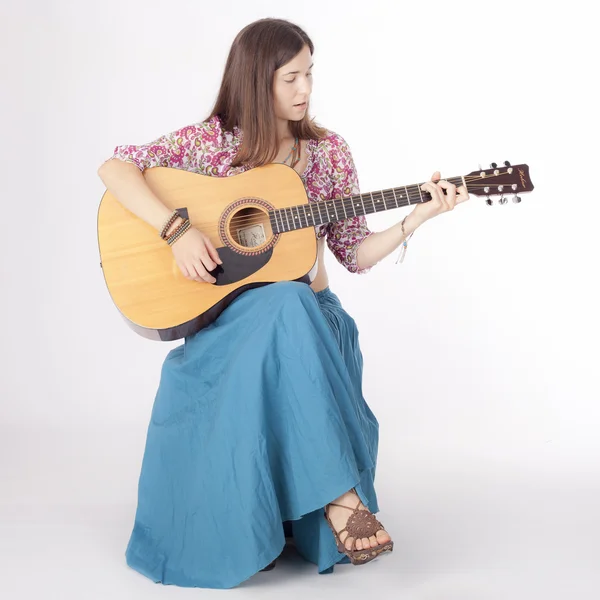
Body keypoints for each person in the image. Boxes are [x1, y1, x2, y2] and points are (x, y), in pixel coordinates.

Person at [97, 17, 469, 590]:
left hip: (309, 322)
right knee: (283, 301)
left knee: (298, 302)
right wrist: (176, 230)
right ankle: (338, 498)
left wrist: (416, 217)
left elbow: (356, 254)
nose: (305, 89)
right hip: (231, 329)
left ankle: (304, 506)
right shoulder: (212, 144)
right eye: (290, 77)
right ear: (255, 79)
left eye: (309, 74)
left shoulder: (329, 154)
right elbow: (114, 168)